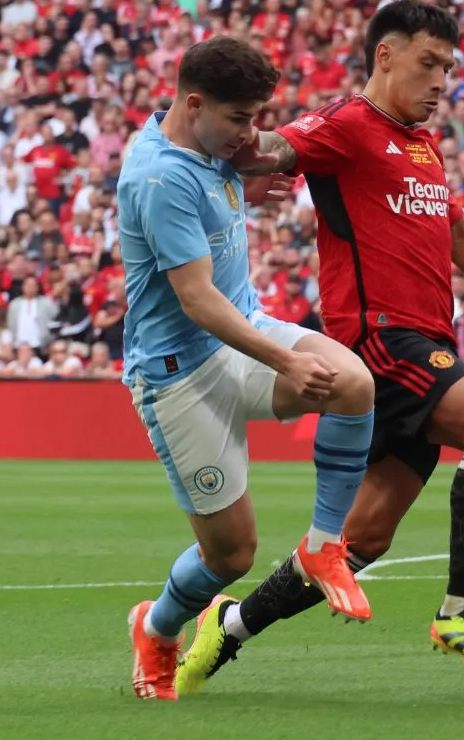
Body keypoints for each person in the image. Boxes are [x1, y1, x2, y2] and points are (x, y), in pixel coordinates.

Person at [177, 0, 464, 693]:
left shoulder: (423, 144)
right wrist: (232, 154)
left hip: (425, 341)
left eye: (450, 68)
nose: (442, 80)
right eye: (429, 63)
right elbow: (273, 148)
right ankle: (463, 607)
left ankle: (230, 625)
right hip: (381, 341)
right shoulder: (348, 127)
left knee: (360, 540)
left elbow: (458, 235)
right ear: (384, 56)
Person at [117, 37, 376, 702]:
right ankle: (157, 625)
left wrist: (245, 187)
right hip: (179, 374)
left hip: (244, 332)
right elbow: (196, 298)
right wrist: (289, 359)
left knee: (353, 382)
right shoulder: (162, 174)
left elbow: (217, 207)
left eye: (258, 115)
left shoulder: (211, 151)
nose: (251, 131)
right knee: (231, 554)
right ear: (194, 103)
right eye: (240, 118)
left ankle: (323, 547)